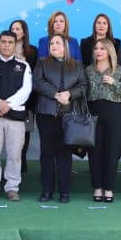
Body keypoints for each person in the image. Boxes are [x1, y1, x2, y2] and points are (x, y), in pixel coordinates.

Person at [32, 34, 87, 203]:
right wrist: (56, 95)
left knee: (64, 155)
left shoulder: (77, 65)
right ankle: (47, 190)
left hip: (68, 116)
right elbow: (38, 83)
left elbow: (83, 86)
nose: (54, 45)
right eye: (51, 43)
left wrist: (69, 94)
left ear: (65, 47)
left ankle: (64, 192)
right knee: (47, 153)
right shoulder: (42, 62)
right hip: (46, 114)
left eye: (58, 43)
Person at [0, 31, 32, 201]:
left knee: (15, 154)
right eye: (3, 42)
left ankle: (12, 187)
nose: (6, 45)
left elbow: (26, 90)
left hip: (16, 117)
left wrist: (6, 105)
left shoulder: (23, 66)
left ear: (15, 45)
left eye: (10, 42)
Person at [86, 39, 121, 203]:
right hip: (94, 113)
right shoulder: (88, 70)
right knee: (95, 152)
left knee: (112, 151)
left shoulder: (118, 70)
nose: (98, 51)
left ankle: (109, 188)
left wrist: (114, 83)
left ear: (109, 51)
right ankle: (97, 187)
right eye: (96, 48)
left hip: (114, 113)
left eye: (102, 48)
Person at [10, 19, 38, 174]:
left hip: (27, 99)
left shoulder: (33, 51)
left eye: (18, 29)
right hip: (7, 98)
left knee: (24, 131)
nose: (14, 31)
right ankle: (11, 162)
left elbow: (35, 75)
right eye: (12, 28)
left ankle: (22, 161)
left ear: (24, 32)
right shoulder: (5, 48)